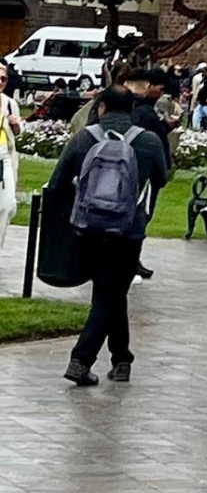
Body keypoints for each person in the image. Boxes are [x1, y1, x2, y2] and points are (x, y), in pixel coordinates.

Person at [47, 87, 169, 385]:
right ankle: (81, 360)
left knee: (109, 292)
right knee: (111, 293)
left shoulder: (83, 138)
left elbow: (57, 182)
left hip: (90, 228)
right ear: (132, 110)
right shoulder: (148, 141)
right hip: (129, 231)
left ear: (101, 108)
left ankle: (121, 359)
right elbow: (162, 178)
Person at [0, 59, 21, 259]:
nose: (0, 82)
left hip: (4, 157)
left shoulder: (9, 103)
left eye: (3, 79)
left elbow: (17, 132)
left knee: (7, 205)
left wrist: (15, 125)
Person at [191, 66, 207, 130]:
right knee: (198, 113)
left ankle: (198, 126)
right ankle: (197, 126)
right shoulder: (203, 80)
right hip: (202, 100)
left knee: (202, 114)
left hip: (206, 101)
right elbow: (199, 89)